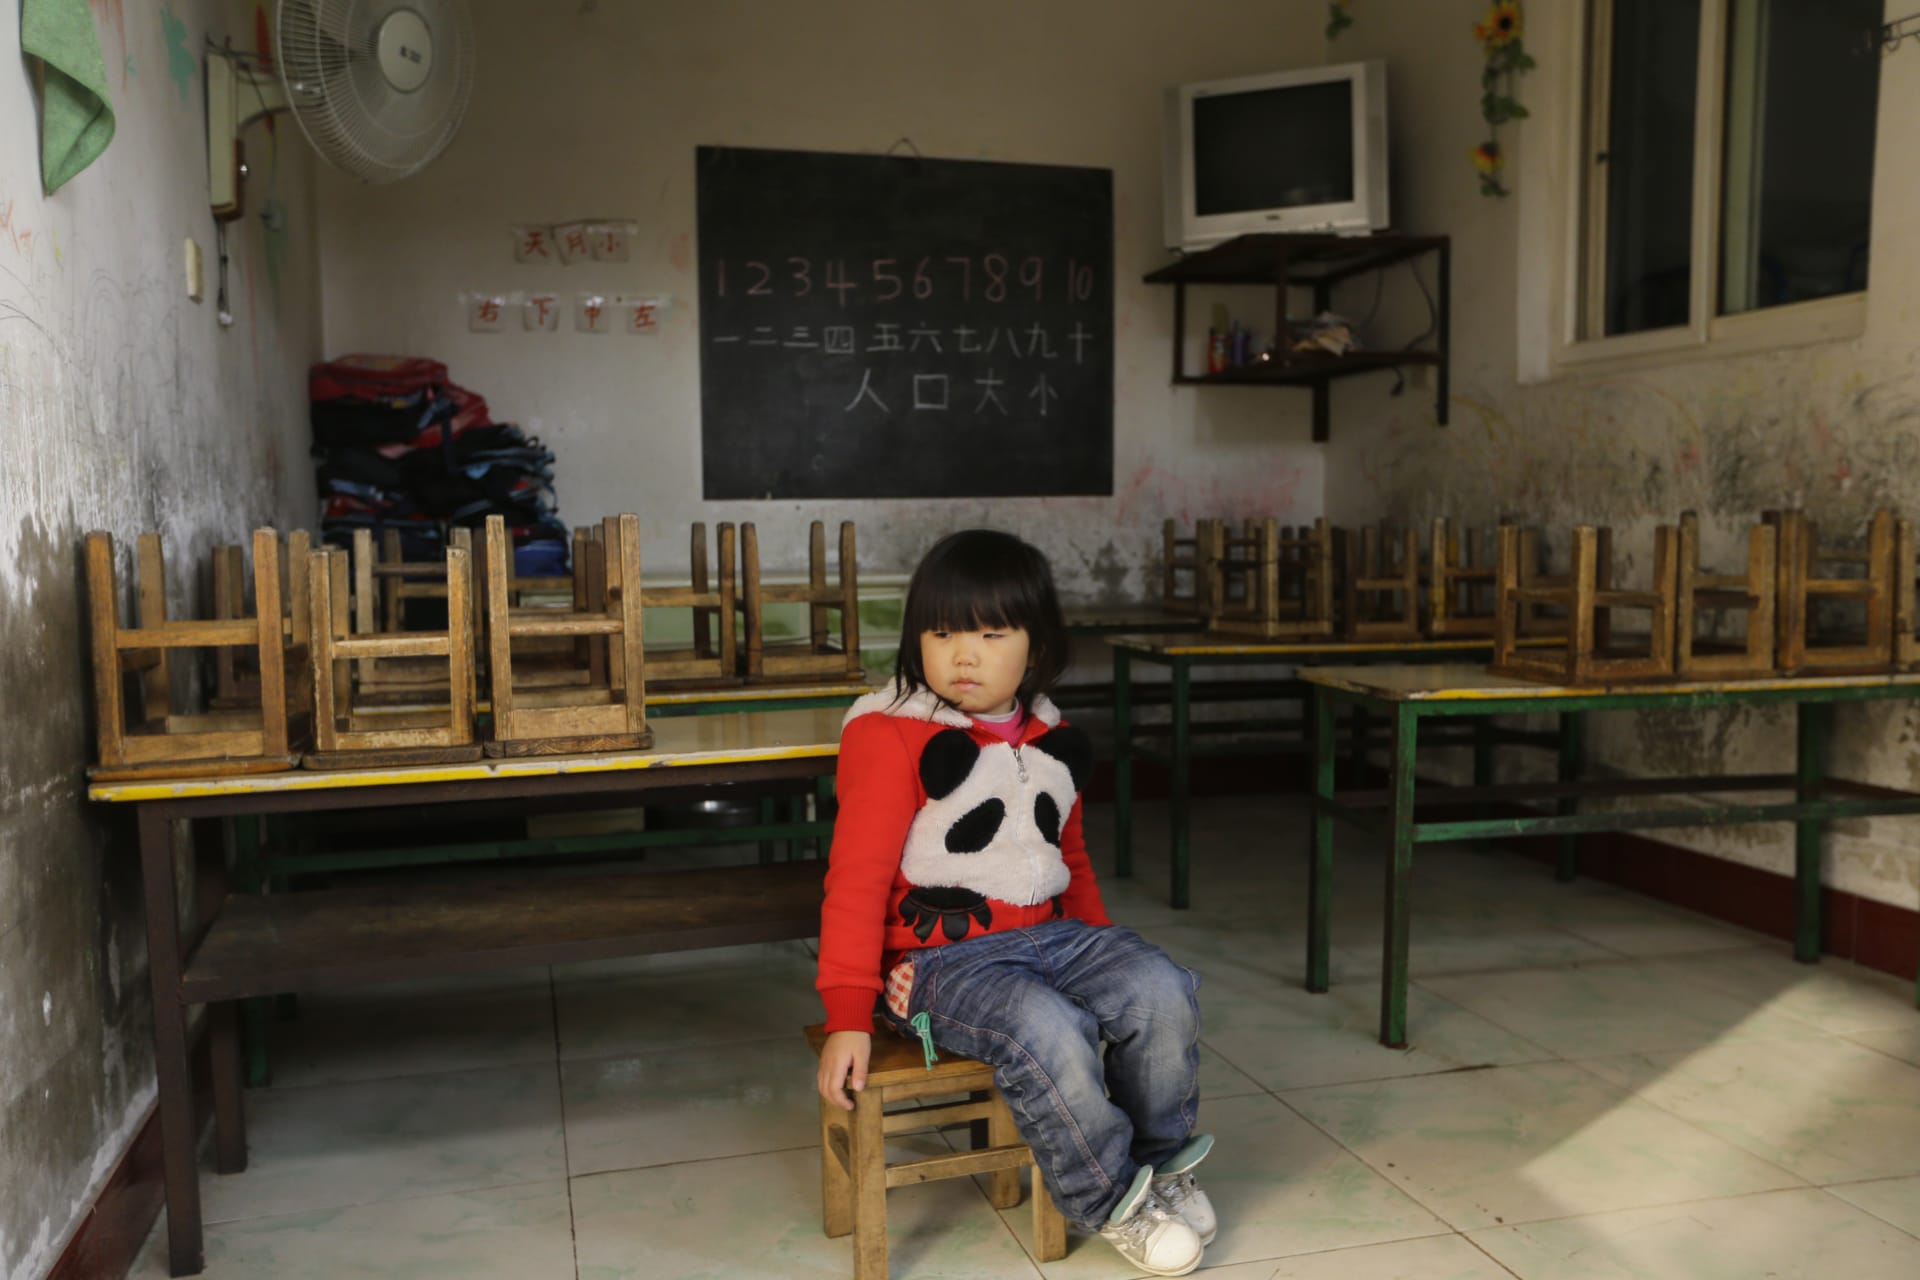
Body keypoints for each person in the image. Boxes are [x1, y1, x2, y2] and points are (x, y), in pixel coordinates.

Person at [813, 529, 1214, 1277]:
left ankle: (1160, 1167)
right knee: (1048, 1026)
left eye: (991, 634)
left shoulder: (1052, 734)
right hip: (939, 964)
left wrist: (1104, 958)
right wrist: (847, 1014)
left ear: (1037, 647)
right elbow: (857, 879)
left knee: (1159, 988)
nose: (963, 655)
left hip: (1052, 940)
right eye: (942, 634)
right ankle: (1112, 1200)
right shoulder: (889, 734)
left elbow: (1071, 860)